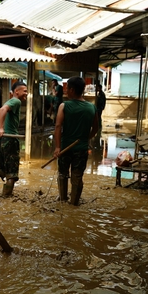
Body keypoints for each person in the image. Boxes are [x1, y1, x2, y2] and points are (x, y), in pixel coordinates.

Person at [53, 76, 99, 206]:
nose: (66, 91)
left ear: (72, 90)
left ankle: (63, 200)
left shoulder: (64, 106)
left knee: (62, 174)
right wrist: (86, 139)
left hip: (64, 148)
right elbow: (95, 128)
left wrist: (57, 147)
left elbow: (58, 126)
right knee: (77, 177)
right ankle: (74, 204)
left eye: (67, 88)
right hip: (81, 149)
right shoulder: (91, 107)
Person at [0, 81, 28, 197]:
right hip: (9, 140)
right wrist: (1, 128)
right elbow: (2, 110)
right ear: (16, 91)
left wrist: (1, 130)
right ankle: (6, 200)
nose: (26, 93)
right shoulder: (15, 101)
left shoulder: (11, 101)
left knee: (0, 169)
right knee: (11, 174)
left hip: (0, 141)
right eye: (25, 91)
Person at [93, 83, 106, 149]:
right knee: (98, 116)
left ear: (100, 88)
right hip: (98, 107)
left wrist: (102, 107)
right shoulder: (99, 93)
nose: (96, 89)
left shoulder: (102, 94)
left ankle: (99, 125)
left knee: (98, 116)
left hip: (99, 107)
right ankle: (98, 125)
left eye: (97, 87)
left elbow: (103, 101)